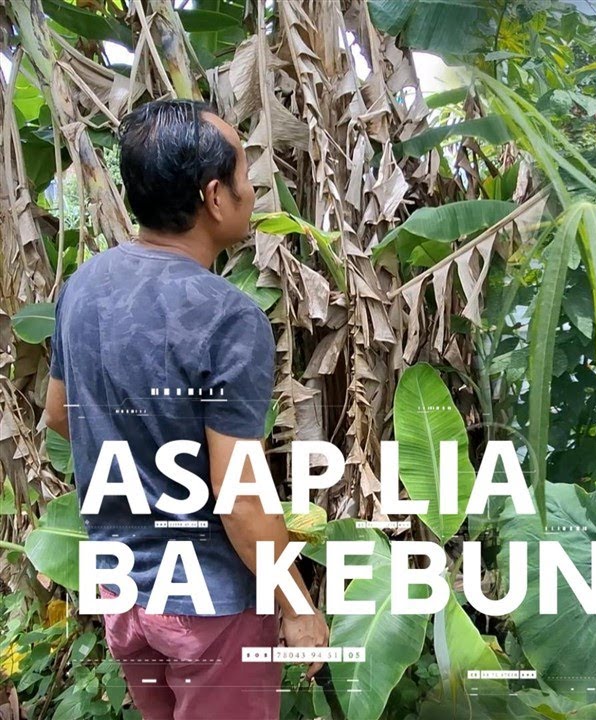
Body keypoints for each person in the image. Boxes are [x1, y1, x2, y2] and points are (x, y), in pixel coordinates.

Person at [41, 99, 329, 720]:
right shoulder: (229, 317)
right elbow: (240, 496)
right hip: (210, 609)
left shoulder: (82, 287)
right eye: (244, 174)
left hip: (123, 594)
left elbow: (60, 415)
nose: (253, 190)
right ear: (214, 197)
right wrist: (298, 606)